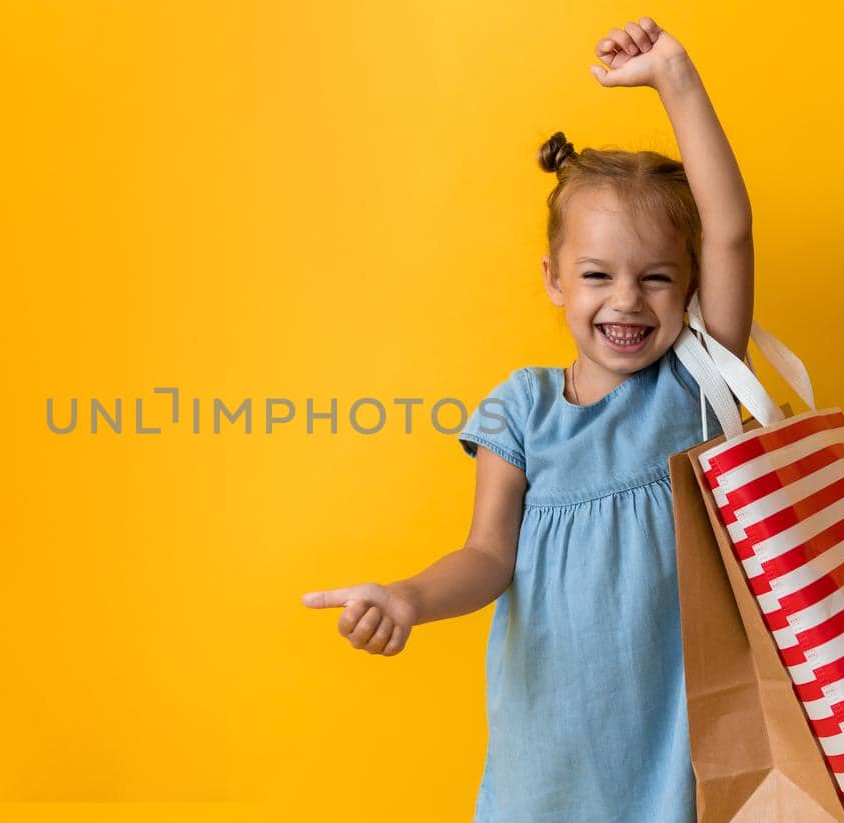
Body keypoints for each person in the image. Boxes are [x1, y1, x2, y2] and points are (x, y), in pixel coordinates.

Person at [301, 17, 756, 822]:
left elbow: (729, 232)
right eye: (596, 274)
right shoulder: (522, 408)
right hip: (547, 759)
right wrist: (408, 596)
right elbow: (486, 554)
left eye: (656, 277)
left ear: (688, 290)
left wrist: (675, 76)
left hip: (677, 761)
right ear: (553, 279)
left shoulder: (693, 386)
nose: (626, 300)